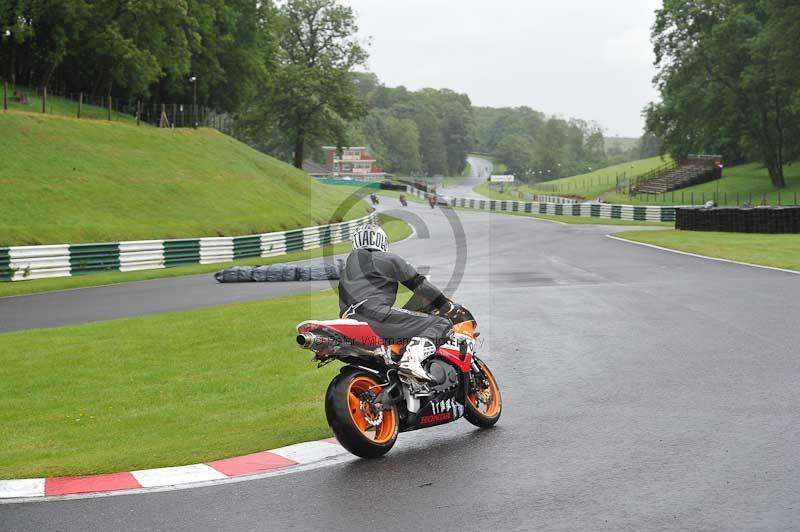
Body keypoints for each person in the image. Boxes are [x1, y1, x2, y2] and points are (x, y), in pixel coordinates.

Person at [338, 223, 452, 381]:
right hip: (376, 317)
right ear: (382, 241)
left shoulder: (346, 271)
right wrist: (445, 304)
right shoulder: (388, 259)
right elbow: (420, 285)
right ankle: (411, 359)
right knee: (441, 324)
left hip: (348, 324)